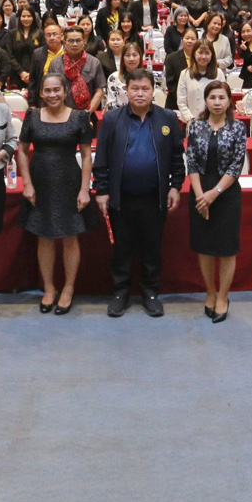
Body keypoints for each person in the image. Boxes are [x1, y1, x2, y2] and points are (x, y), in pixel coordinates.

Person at [92, 69, 184, 319]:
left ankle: (150, 293)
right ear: (126, 91)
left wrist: (175, 186)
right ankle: (120, 293)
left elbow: (177, 157)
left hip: (155, 196)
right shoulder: (112, 119)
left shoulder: (167, 118)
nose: (140, 93)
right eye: (135, 89)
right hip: (121, 197)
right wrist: (102, 190)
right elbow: (101, 159)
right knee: (122, 248)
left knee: (152, 247)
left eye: (145, 89)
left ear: (154, 91)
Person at [19, 70, 93, 316]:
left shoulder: (79, 117)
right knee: (44, 236)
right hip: (39, 181)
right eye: (47, 90)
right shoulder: (32, 116)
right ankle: (49, 288)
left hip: (69, 181)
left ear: (65, 91)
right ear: (41, 93)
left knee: (70, 237)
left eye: (56, 90)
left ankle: (69, 288)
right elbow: (22, 151)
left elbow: (86, 155)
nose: (52, 95)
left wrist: (84, 189)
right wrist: (27, 183)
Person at [185, 78, 247, 323]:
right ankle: (210, 292)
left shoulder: (238, 128)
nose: (217, 102)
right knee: (205, 247)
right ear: (206, 101)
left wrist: (214, 193)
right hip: (200, 191)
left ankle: (223, 296)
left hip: (226, 193)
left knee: (226, 249)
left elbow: (236, 165)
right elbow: (191, 161)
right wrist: (201, 195)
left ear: (229, 101)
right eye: (212, 97)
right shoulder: (196, 126)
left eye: (222, 97)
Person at [45, 26, 107, 114]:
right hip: (60, 113)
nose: (74, 44)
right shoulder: (55, 63)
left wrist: (87, 112)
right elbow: (50, 90)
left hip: (87, 113)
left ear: (84, 42)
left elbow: (99, 91)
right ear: (64, 42)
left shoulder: (94, 62)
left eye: (78, 40)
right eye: (71, 41)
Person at [175, 39, 226, 120]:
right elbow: (181, 102)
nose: (203, 57)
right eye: (200, 53)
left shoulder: (219, 73)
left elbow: (223, 99)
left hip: (214, 121)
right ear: (194, 54)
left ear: (212, 55)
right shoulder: (185, 74)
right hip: (190, 121)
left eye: (207, 53)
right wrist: (191, 120)